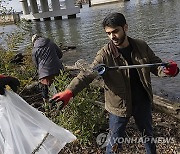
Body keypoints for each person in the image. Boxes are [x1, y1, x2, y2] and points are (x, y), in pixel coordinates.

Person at [50, 13, 179, 154]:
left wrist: (169, 71)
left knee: (148, 135)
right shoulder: (104, 54)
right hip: (118, 106)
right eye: (108, 33)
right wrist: (69, 92)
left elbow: (156, 66)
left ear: (125, 27)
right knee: (114, 142)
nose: (112, 37)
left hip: (142, 101)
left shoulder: (141, 46)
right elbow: (87, 75)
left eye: (115, 31)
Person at [32, 34, 64, 102]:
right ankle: (62, 104)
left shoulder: (34, 50)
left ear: (33, 42)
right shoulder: (51, 43)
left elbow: (36, 64)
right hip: (58, 70)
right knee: (60, 87)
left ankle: (47, 106)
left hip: (44, 73)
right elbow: (60, 55)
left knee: (44, 89)